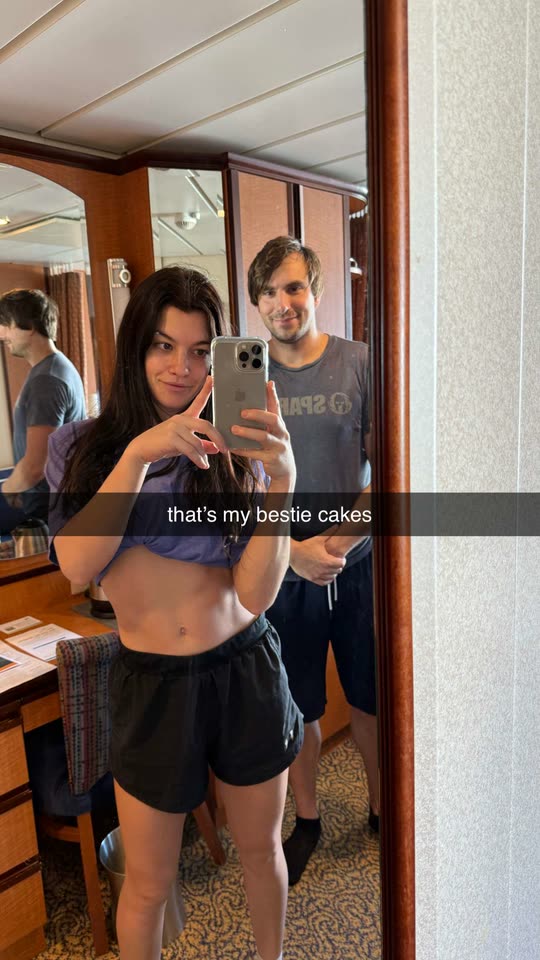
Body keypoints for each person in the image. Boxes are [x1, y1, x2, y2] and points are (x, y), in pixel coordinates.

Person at [45, 265, 302, 960]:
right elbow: (77, 566)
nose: (180, 368)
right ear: (136, 347)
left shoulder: (234, 450)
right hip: (152, 683)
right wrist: (138, 455)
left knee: (260, 851)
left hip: (245, 667)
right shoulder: (83, 448)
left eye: (198, 351)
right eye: (163, 346)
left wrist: (282, 481)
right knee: (149, 884)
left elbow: (255, 594)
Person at [247, 236, 378, 886]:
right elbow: (239, 484)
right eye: (269, 292)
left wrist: (340, 543)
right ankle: (309, 819)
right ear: (257, 303)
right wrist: (295, 552)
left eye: (293, 287)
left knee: (371, 697)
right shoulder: (248, 378)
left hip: (359, 565)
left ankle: (382, 809)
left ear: (316, 291)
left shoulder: (361, 362)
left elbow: (393, 468)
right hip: (284, 568)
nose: (282, 303)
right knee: (298, 704)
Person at [0, 288, 86, 521]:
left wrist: (8, 489)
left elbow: (36, 465)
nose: (1, 333)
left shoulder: (46, 379)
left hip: (50, 508)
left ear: (29, 326)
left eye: (6, 324)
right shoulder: (55, 368)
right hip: (54, 503)